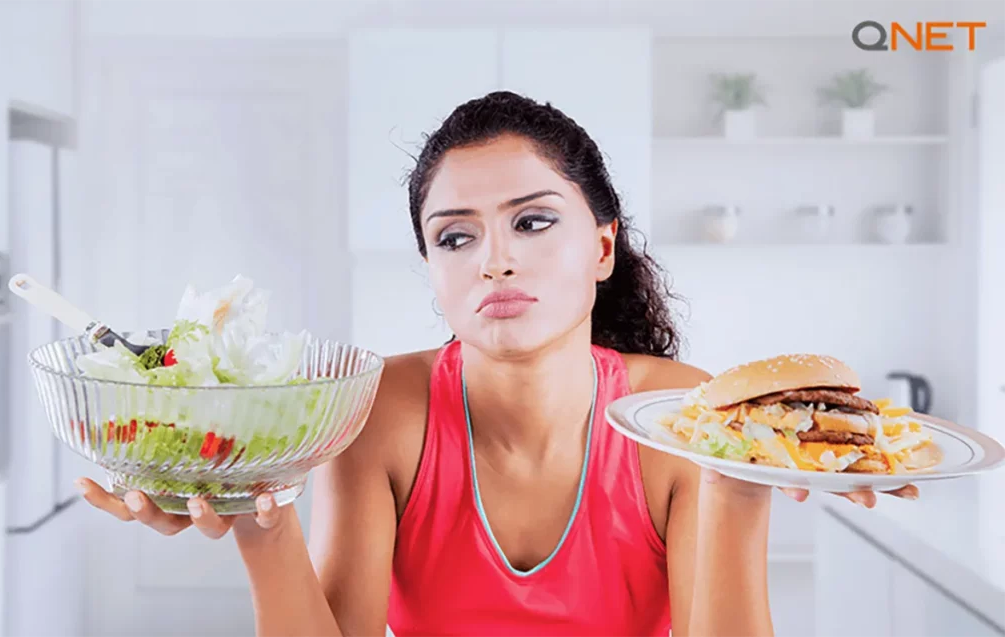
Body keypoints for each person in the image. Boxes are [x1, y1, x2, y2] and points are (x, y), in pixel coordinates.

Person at [76, 91, 918, 637]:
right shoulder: (381, 409)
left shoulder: (684, 417)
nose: (494, 260)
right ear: (432, 271)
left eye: (534, 221)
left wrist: (736, 483)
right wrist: (263, 520)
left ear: (601, 246)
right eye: (456, 235)